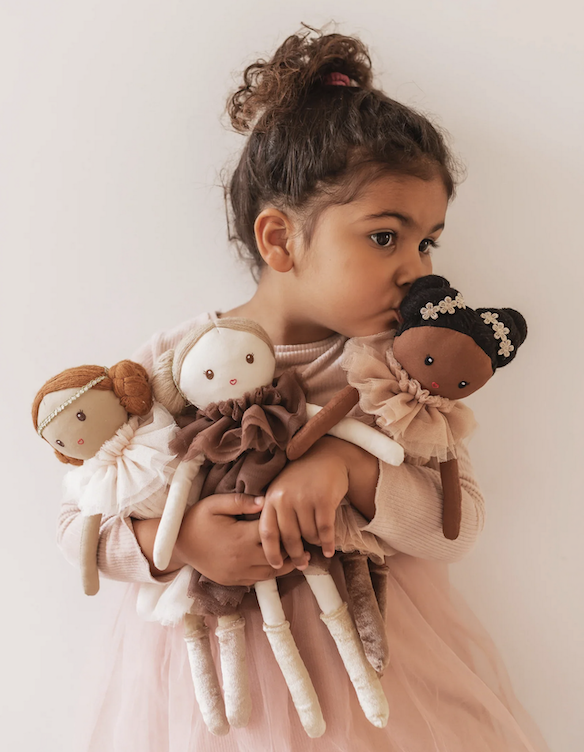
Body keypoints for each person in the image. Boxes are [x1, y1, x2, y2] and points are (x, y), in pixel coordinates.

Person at [57, 25, 551, 752]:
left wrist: (350, 468)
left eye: (428, 242)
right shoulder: (172, 366)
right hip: (220, 700)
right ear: (280, 239)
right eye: (385, 237)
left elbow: (459, 527)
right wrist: (181, 543)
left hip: (380, 688)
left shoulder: (399, 371)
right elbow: (77, 529)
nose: (417, 269)